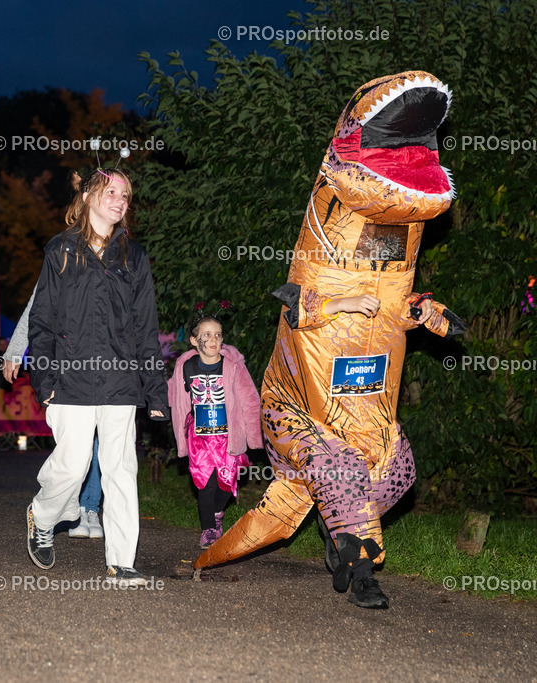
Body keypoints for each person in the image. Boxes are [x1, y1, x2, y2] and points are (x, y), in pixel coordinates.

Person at [193, 71, 464, 609]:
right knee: (339, 472)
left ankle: (339, 534)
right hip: (297, 413)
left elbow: (393, 310)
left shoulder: (401, 239)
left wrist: (427, 315)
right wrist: (339, 303)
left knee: (398, 472)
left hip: (367, 413)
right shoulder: (329, 208)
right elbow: (296, 307)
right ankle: (361, 571)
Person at [25, 167, 168, 586]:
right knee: (71, 466)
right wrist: (44, 376)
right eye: (112, 191)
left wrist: (155, 392)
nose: (121, 200)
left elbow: (146, 328)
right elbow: (43, 320)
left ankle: (121, 561)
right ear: (89, 195)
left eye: (126, 194)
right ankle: (44, 516)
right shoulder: (61, 251)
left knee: (121, 471)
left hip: (121, 382)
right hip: (70, 380)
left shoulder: (134, 257)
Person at [3, 293, 103, 539]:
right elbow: (36, 307)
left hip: (106, 366)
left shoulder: (117, 258)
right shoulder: (60, 257)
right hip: (68, 366)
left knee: (101, 442)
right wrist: (15, 351)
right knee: (75, 447)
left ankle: (90, 507)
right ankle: (68, 509)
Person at [167, 304, 261, 549]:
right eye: (206, 335)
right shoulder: (185, 368)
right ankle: (208, 529)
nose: (213, 340)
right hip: (199, 438)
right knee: (205, 483)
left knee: (227, 483)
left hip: (228, 437)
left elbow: (251, 401)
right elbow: (175, 397)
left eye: (218, 335)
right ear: (193, 340)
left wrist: (254, 439)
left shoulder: (233, 367)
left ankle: (218, 512)